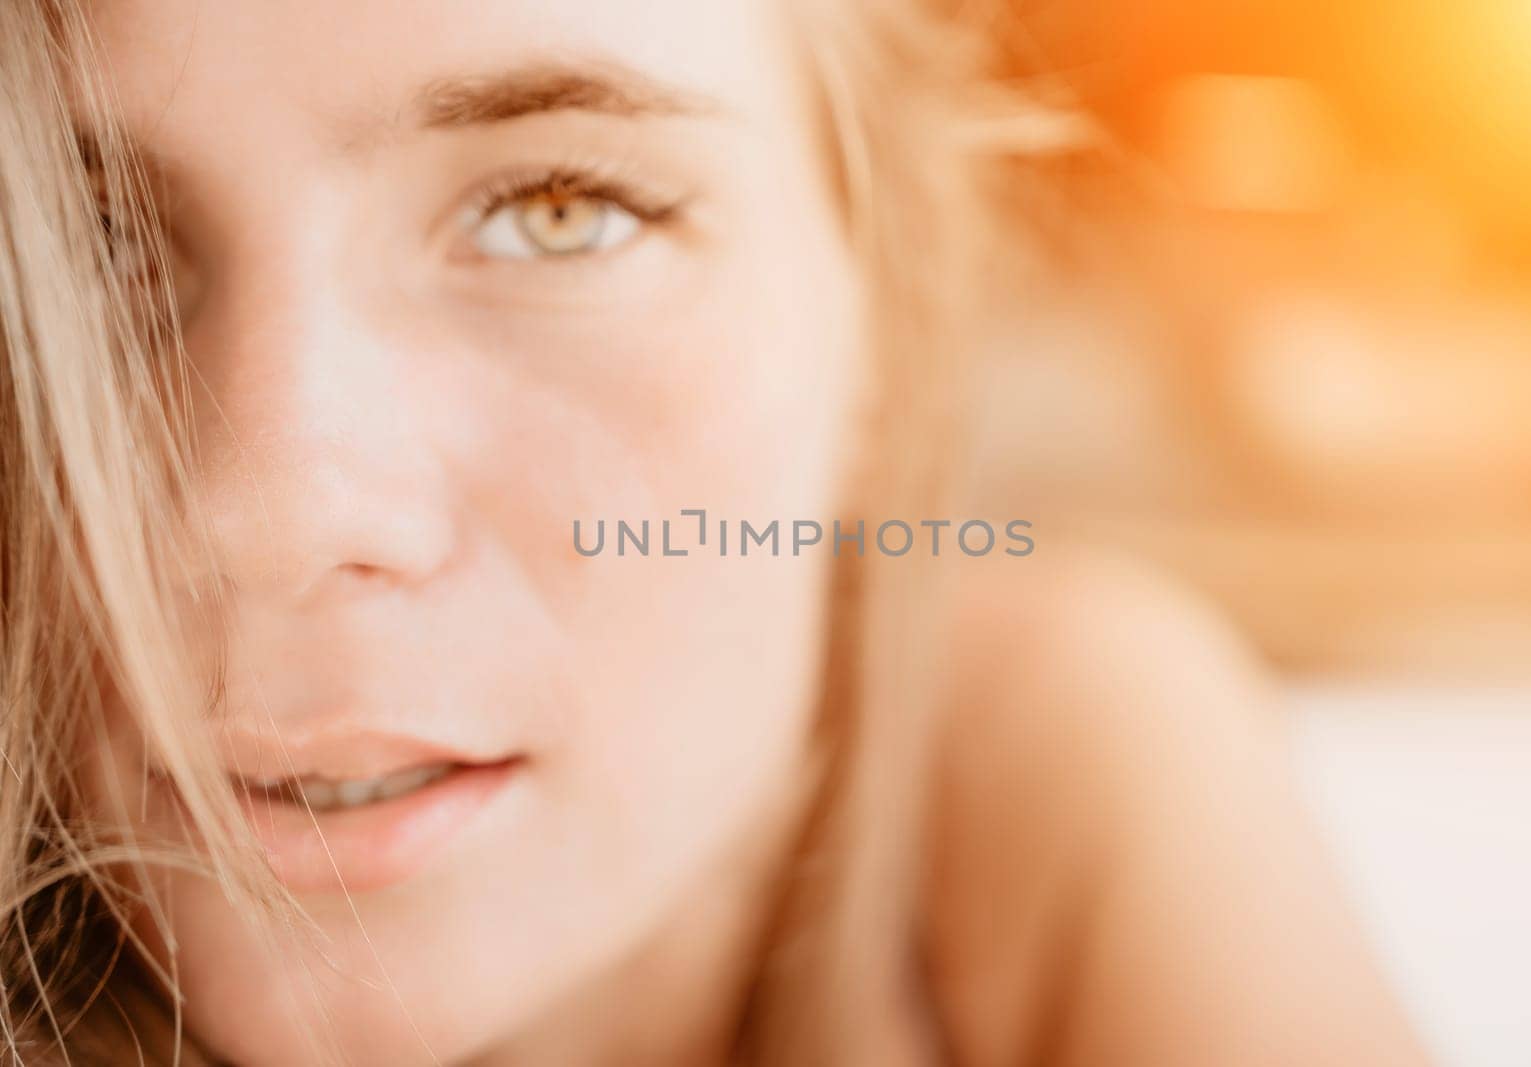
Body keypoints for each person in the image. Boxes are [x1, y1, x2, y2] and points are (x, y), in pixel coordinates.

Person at [0, 0, 1432, 1064]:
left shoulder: (1033, 772)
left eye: (561, 213)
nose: (275, 518)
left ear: (891, 306)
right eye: (86, 244)